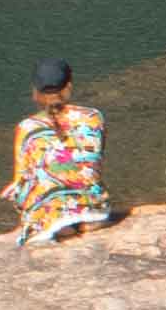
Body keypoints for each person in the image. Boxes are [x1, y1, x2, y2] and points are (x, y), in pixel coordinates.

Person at [7, 61, 110, 243]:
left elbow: (21, 182)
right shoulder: (94, 116)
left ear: (35, 93)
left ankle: (60, 222)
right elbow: (95, 160)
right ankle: (84, 217)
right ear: (69, 86)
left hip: (53, 218)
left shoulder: (27, 127)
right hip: (95, 210)